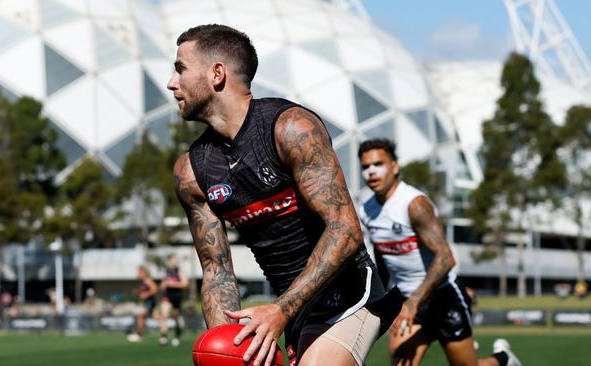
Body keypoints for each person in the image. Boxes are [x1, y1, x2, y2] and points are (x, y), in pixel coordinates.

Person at [169, 24, 402, 366]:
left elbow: (346, 230)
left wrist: (280, 310)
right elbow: (217, 272)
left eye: (180, 69)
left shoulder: (291, 128)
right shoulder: (191, 171)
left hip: (350, 295)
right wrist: (230, 347)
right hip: (290, 312)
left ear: (217, 73)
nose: (172, 83)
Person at [357, 138, 521, 366]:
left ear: (395, 166)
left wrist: (414, 301)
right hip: (408, 302)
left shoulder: (414, 204)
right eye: (365, 167)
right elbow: (383, 251)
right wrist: (383, 297)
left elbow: (446, 258)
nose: (371, 172)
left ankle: (503, 360)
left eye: (378, 164)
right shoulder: (367, 210)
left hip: (443, 298)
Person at [158, 254, 189, 347]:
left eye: (175, 260)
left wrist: (173, 284)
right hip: (167, 296)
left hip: (177, 297)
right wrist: (163, 285)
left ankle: (176, 336)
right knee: (164, 315)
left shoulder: (180, 271)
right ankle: (163, 337)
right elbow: (163, 284)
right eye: (172, 260)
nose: (174, 262)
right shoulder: (167, 271)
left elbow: (185, 284)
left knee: (178, 320)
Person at [127, 265, 158, 342]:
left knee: (141, 316)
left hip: (150, 302)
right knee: (151, 317)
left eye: (140, 272)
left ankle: (139, 335)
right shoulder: (143, 281)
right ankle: (139, 334)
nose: (138, 274)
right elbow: (143, 290)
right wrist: (137, 292)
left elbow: (154, 289)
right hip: (146, 302)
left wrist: (146, 294)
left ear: (144, 273)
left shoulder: (148, 280)